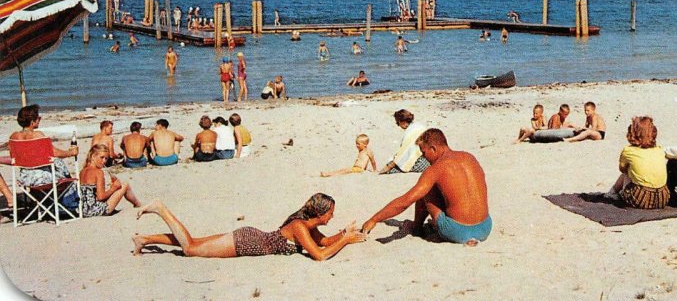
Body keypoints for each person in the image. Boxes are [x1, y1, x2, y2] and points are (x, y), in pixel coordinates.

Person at [133, 193, 365, 259]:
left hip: (249, 237)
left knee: (195, 241)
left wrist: (345, 233)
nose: (333, 216)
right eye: (331, 213)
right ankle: (160, 209)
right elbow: (320, 255)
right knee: (190, 249)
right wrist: (344, 241)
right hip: (246, 243)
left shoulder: (308, 225)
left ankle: (144, 240)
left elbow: (324, 242)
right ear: (321, 213)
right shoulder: (300, 227)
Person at [362, 128, 491, 246]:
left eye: (423, 152)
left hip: (457, 231)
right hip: (485, 227)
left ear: (433, 149)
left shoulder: (435, 169)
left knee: (425, 190)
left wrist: (374, 219)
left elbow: (406, 201)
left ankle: (417, 228)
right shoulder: (469, 157)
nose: (423, 157)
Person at [9, 104, 80, 205]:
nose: (40, 119)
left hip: (25, 178)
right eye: (38, 118)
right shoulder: (37, 135)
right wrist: (71, 153)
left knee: (56, 164)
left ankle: (44, 203)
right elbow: (54, 153)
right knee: (63, 172)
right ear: (32, 122)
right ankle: (68, 205)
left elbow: (14, 157)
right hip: (42, 179)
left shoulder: (14, 137)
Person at [605, 117, 669, 209]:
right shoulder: (659, 150)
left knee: (626, 173)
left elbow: (622, 169)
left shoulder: (628, 151)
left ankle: (612, 193)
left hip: (641, 198)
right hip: (662, 198)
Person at [79, 144, 142, 216]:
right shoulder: (98, 172)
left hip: (83, 211)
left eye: (106, 158)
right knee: (125, 185)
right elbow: (101, 197)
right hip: (96, 210)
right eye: (102, 157)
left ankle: (138, 204)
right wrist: (114, 188)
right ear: (93, 156)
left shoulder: (82, 171)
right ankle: (138, 204)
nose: (104, 161)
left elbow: (90, 195)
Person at [378, 109, 430, 174]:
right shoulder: (419, 126)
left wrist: (389, 166)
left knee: (394, 168)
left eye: (398, 122)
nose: (398, 125)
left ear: (401, 121)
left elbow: (404, 152)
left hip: (421, 163)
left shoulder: (410, 132)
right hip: (429, 160)